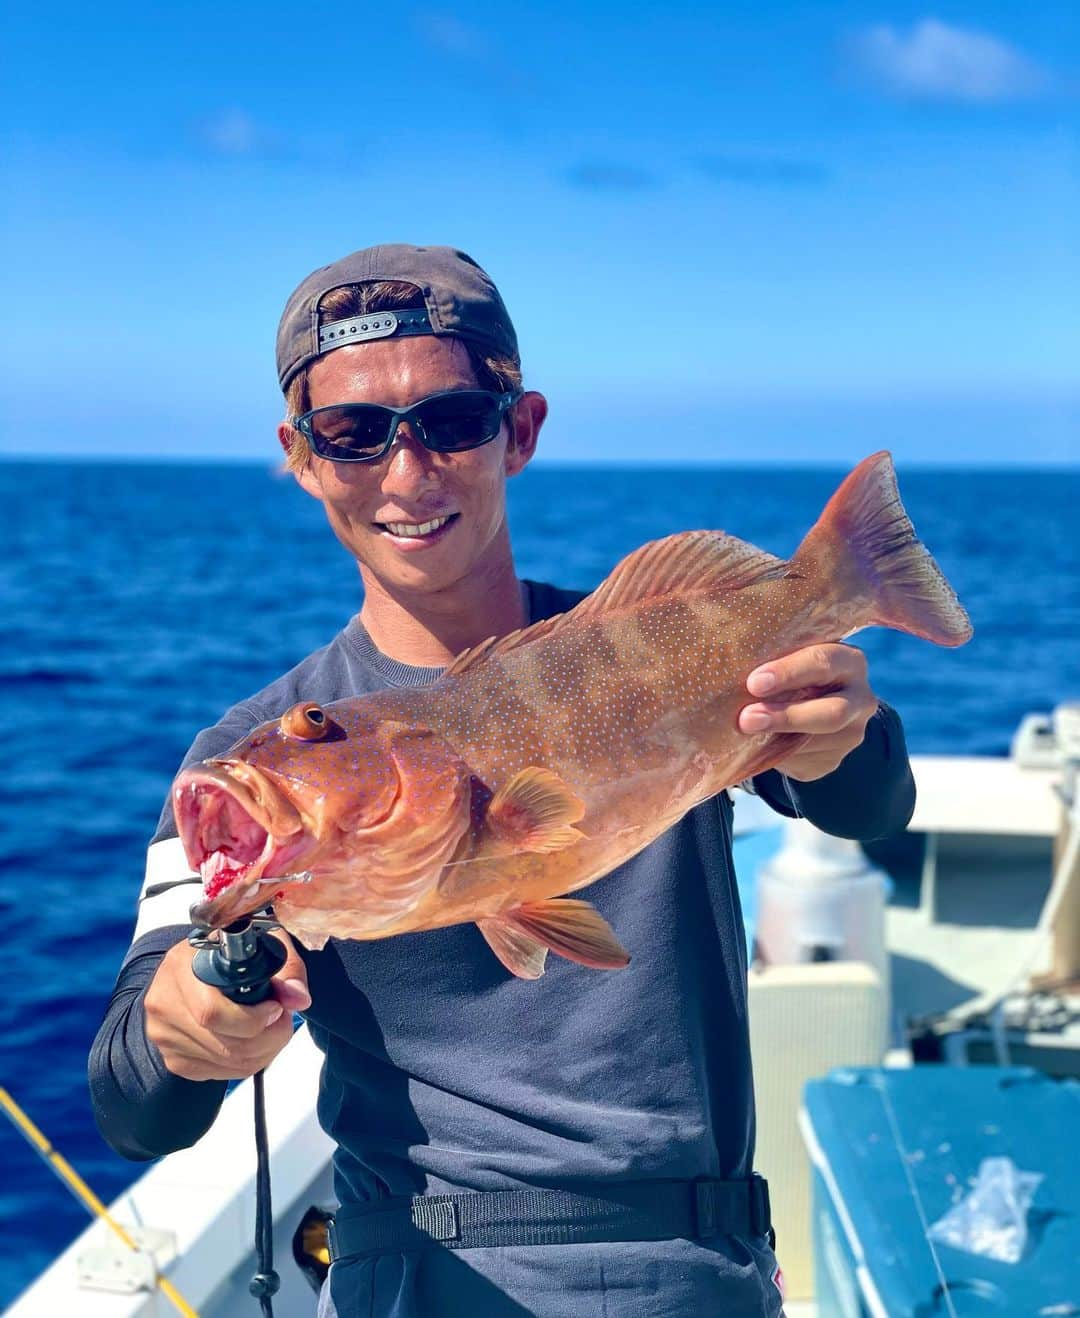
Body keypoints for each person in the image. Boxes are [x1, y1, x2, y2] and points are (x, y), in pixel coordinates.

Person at [89, 244, 915, 1317]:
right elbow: (132, 1100)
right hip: (427, 1274)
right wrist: (181, 1026)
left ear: (518, 431)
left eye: (451, 422)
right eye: (352, 433)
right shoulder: (245, 764)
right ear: (300, 455)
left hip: (700, 1263)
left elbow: (871, 809)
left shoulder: (655, 645)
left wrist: (838, 736)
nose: (405, 472)